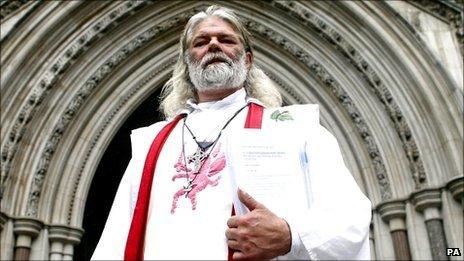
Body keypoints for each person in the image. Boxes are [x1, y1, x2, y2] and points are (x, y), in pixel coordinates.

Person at [92, 5, 371, 260]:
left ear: (247, 60)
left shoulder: (295, 130)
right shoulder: (152, 143)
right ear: (187, 66)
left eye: (226, 40)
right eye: (200, 43)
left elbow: (349, 216)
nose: (213, 44)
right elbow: (114, 241)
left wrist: (291, 235)